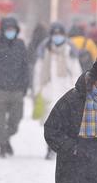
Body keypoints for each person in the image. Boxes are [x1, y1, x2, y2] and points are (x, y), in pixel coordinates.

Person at [33, 23, 83, 159]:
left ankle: (61, 148)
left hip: (66, 92)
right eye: (55, 34)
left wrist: (76, 92)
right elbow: (38, 72)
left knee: (65, 123)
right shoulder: (45, 51)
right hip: (48, 92)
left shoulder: (69, 51)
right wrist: (38, 89)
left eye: (60, 34)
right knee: (50, 124)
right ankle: (49, 148)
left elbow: (76, 73)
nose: (57, 37)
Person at [0, 17, 30, 158]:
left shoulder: (20, 45)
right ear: (2, 30)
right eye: (8, 29)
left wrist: (26, 85)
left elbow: (25, 67)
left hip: (17, 89)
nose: (10, 32)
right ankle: (2, 146)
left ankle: (5, 138)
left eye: (13, 30)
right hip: (0, 88)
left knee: (16, 120)